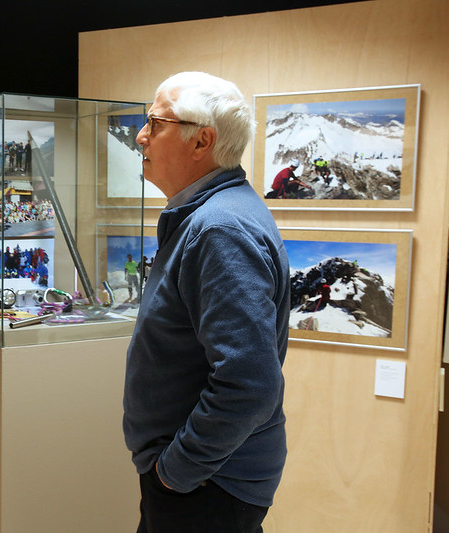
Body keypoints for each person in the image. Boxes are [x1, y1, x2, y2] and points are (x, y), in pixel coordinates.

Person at [123, 71, 290, 533]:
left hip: (206, 485)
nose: (141, 137)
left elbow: (249, 384)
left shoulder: (219, 229)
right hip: (204, 478)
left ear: (202, 141)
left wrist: (174, 473)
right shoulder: (213, 215)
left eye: (156, 123)